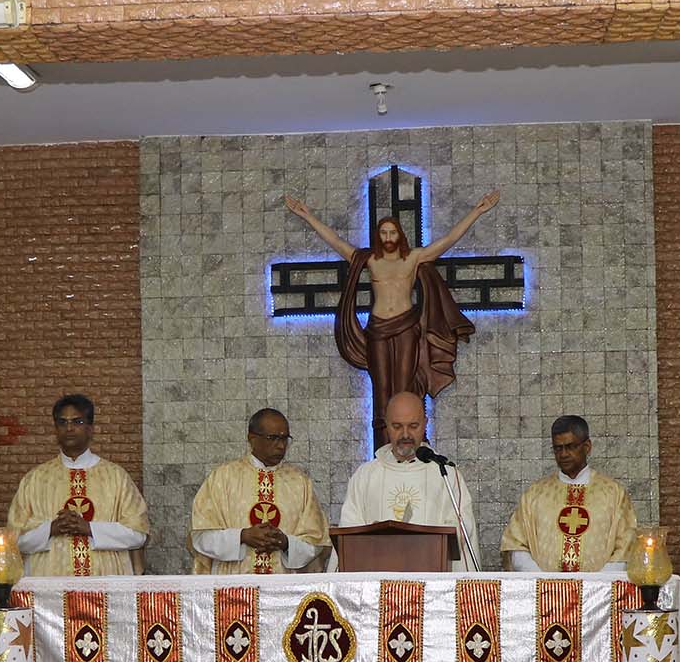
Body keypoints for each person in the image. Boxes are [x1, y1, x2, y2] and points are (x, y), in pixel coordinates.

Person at [285, 190, 498, 446]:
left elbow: (448, 240)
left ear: (400, 235)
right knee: (382, 387)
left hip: (406, 328)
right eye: (384, 233)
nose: (388, 238)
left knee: (405, 385)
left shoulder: (414, 258)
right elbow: (337, 242)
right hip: (377, 331)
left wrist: (477, 211)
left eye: (392, 233)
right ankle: (382, 446)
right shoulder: (371, 260)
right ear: (378, 236)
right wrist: (308, 216)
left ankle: (411, 441)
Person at [7, 394, 149, 577]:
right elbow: (13, 541)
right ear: (55, 429)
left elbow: (138, 535)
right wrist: (50, 529)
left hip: (105, 580)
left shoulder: (116, 477)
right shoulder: (34, 480)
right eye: (62, 422)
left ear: (91, 429)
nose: (69, 428)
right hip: (50, 583)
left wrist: (89, 528)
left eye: (77, 422)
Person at [337, 391, 480, 569]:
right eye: (397, 426)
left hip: (433, 581)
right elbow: (349, 537)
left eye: (413, 426)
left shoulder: (446, 475)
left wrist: (411, 545)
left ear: (425, 424)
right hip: (376, 581)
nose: (405, 434)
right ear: (386, 425)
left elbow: (460, 533)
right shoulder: (365, 476)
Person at [190, 408, 331, 573]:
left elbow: (316, 542)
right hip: (235, 584)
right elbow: (201, 537)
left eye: (285, 438)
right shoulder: (222, 478)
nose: (281, 446)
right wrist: (242, 536)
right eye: (273, 438)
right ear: (252, 438)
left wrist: (286, 543)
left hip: (284, 584)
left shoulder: (300, 483)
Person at [502, 415, 641, 572]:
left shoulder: (613, 493)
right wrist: (544, 580)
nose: (563, 454)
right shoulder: (534, 494)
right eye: (558, 448)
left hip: (599, 586)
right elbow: (516, 544)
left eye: (570, 447)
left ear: (587, 446)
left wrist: (598, 582)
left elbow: (626, 546)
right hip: (545, 586)